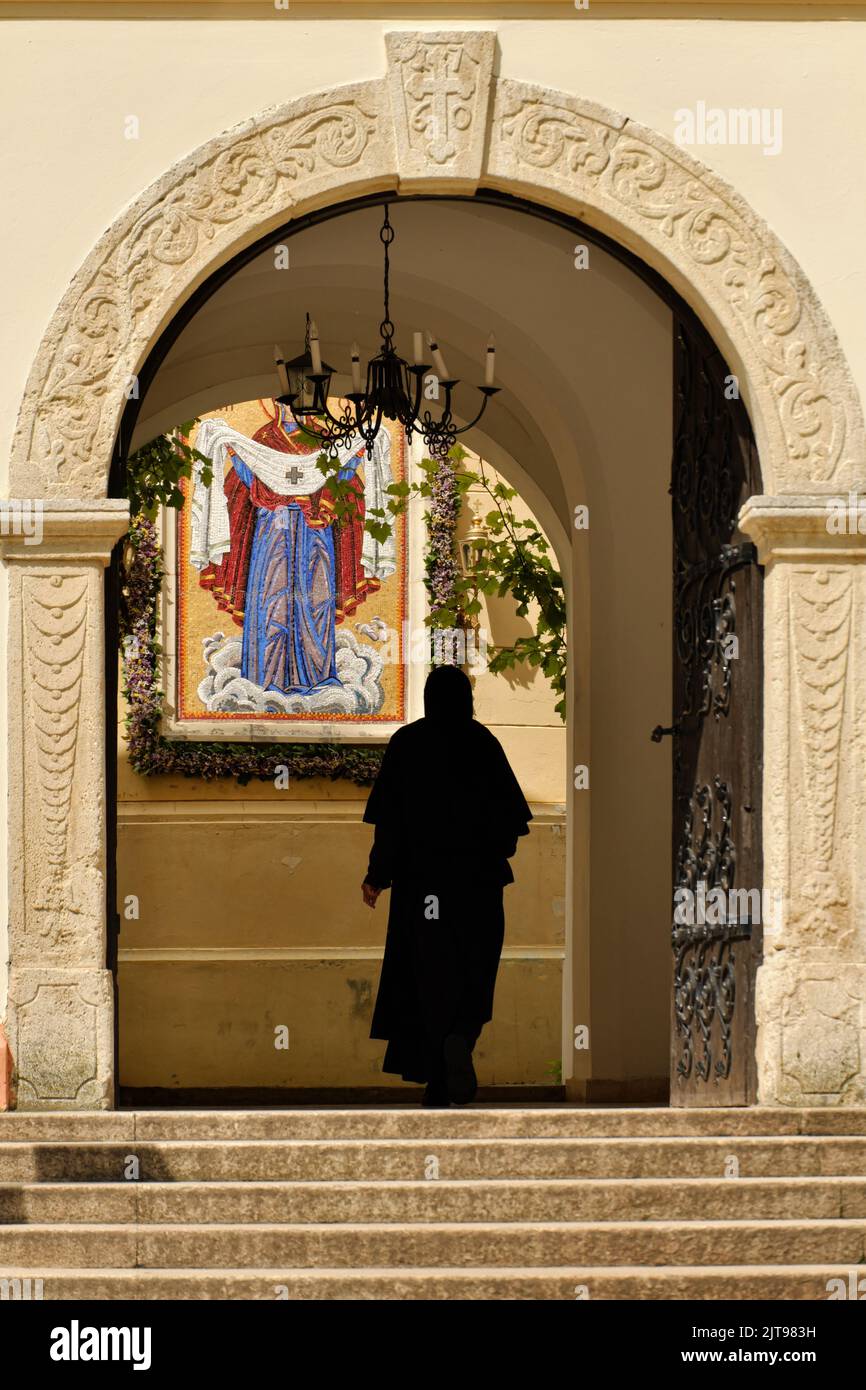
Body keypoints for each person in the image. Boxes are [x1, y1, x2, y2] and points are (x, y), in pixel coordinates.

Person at [361, 665, 532, 1106]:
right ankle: (462, 1035)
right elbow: (511, 824)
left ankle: (437, 1080)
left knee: (428, 980)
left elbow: (389, 824)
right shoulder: (482, 743)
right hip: (478, 886)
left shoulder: (407, 743)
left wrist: (377, 876)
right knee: (476, 971)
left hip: (423, 890)